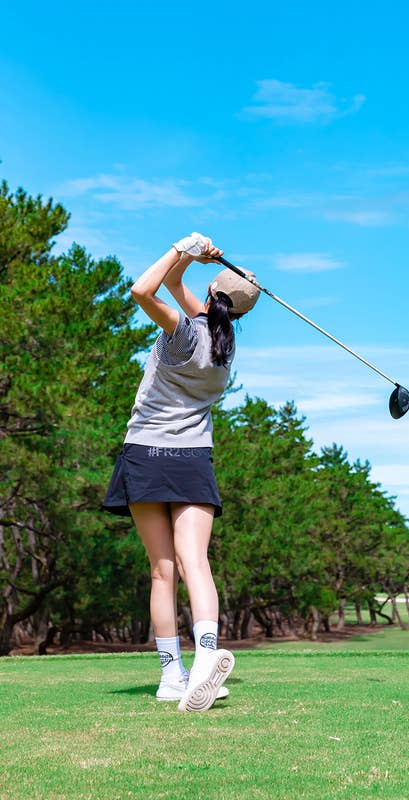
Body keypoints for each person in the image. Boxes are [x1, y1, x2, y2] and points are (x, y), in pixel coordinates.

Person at [102, 232, 260, 712]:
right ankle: (206, 656)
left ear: (211, 294)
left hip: (146, 454)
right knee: (196, 563)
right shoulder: (225, 347)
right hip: (192, 459)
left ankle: (172, 675)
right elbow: (177, 288)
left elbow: (142, 290)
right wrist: (193, 264)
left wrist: (182, 248)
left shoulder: (186, 332)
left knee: (162, 571)